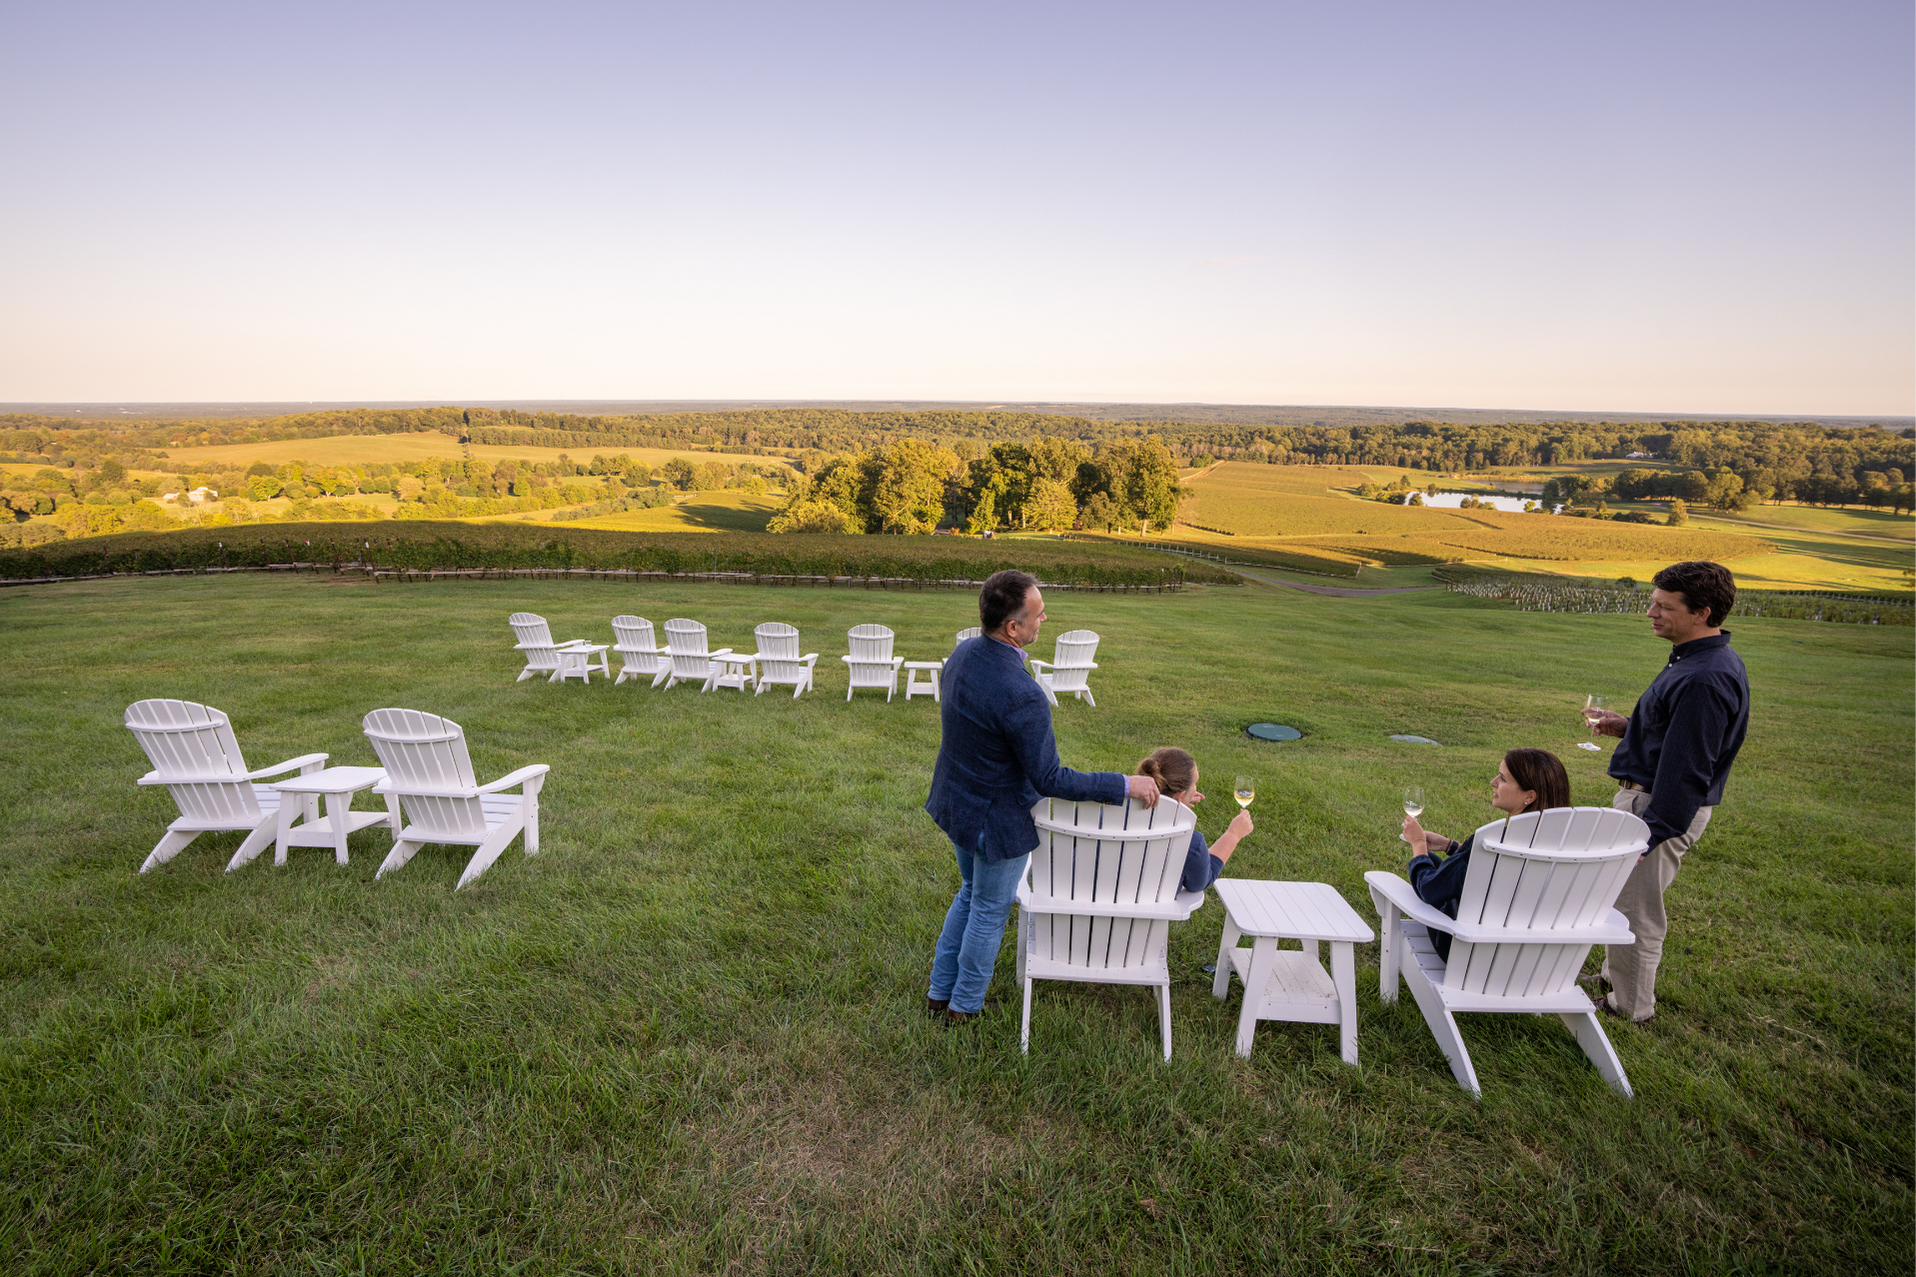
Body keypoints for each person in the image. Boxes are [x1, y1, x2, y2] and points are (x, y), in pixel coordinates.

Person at [924, 571, 1160, 1025]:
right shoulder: (1023, 695)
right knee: (989, 910)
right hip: (994, 819)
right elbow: (1051, 778)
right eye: (1038, 613)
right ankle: (963, 1008)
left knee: (969, 893)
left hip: (959, 801)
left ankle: (939, 992)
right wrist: (1124, 784)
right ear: (1013, 627)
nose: (1044, 618)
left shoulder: (962, 654)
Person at [1582, 560, 1749, 1023]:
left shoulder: (1704, 678)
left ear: (1702, 612)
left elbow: (1690, 769)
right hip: (1651, 802)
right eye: (1653, 602)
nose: (1651, 613)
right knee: (1623, 900)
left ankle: (1631, 1008)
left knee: (1638, 912)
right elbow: (1678, 735)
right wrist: (1627, 726)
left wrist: (1649, 834)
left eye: (1664, 606)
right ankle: (1618, 976)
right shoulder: (1696, 659)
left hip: (1657, 806)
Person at [1400, 748, 1571, 962]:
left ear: (1530, 796)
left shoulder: (1492, 842)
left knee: (1428, 866)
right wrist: (1450, 846)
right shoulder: (1563, 847)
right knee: (1435, 861)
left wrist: (1418, 844)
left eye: (1502, 778)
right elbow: (1499, 869)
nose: (1493, 782)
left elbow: (1428, 889)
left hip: (1469, 954)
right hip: (1532, 958)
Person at [1133, 747, 1254, 894]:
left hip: (1101, 911)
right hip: (1153, 913)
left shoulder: (1106, 820)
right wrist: (1233, 834)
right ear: (1180, 795)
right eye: (1194, 783)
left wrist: (1179, 803)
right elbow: (1200, 882)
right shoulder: (1189, 842)